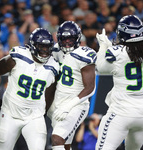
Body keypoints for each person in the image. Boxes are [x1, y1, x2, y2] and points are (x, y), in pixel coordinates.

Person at [0, 28, 59, 150]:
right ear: (32, 46)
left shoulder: (54, 66)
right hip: (10, 113)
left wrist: (42, 112)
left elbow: (50, 92)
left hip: (34, 116)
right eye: (41, 46)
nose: (44, 50)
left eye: (47, 47)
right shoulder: (18, 57)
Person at [95, 15, 143, 150]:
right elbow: (131, 54)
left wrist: (103, 46)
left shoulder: (116, 53)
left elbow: (100, 68)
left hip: (121, 113)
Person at [47, 21, 97, 150]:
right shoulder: (56, 50)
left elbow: (90, 88)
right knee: (65, 144)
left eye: (71, 39)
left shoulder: (85, 55)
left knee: (57, 139)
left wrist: (69, 106)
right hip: (58, 102)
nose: (67, 42)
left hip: (76, 105)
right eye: (64, 38)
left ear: (78, 38)